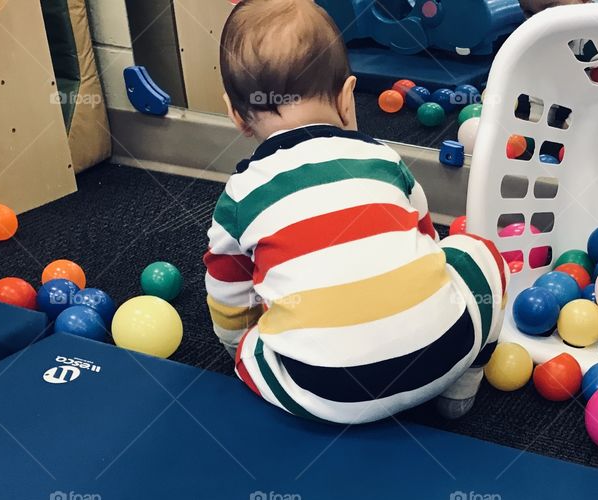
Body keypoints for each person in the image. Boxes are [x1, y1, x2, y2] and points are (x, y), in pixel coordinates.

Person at [205, 0, 509, 424]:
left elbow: (227, 295)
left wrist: (240, 345)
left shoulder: (240, 195)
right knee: (479, 252)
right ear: (348, 98)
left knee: (249, 343)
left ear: (236, 115)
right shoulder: (384, 158)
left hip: (327, 396)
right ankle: (462, 388)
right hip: (444, 355)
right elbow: (429, 243)